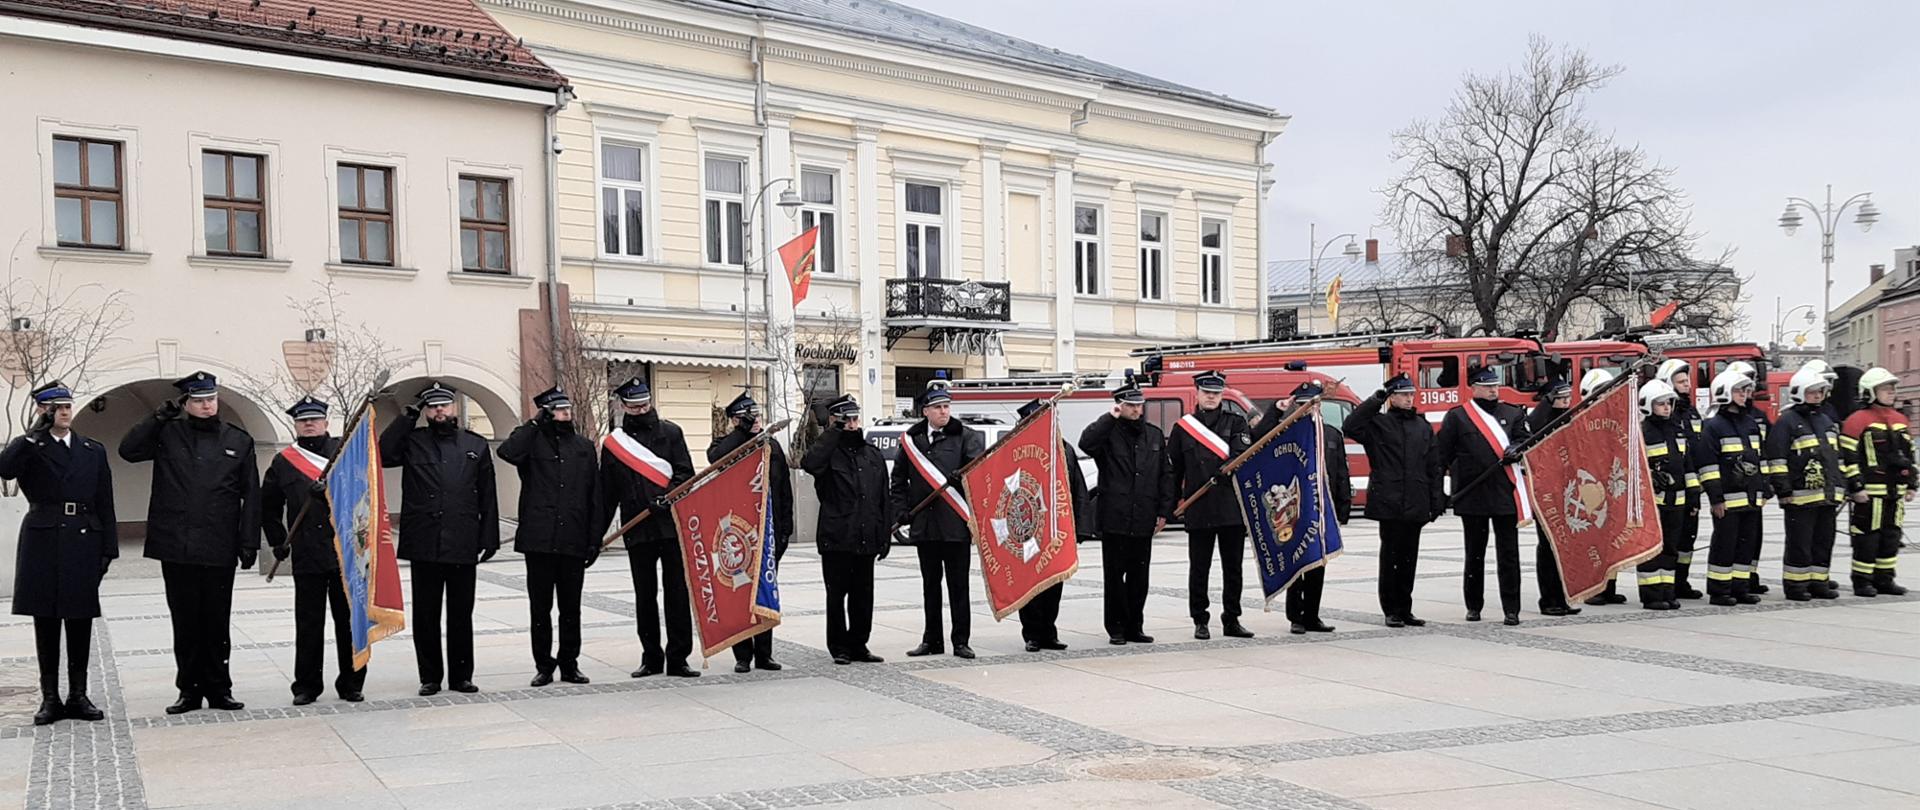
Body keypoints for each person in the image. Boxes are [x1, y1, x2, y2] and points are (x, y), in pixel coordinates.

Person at [119, 370, 258, 714]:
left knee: (216, 621)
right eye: (198, 401)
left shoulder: (238, 440)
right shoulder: (168, 433)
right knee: (185, 621)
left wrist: (249, 540)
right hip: (177, 543)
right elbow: (128, 451)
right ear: (186, 404)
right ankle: (189, 691)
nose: (207, 406)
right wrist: (157, 417)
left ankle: (219, 688)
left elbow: (250, 494)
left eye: (211, 399)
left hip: (218, 542)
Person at [1, 381, 115, 725]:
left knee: (80, 619)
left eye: (67, 406)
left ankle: (78, 694)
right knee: (46, 619)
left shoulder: (92, 449)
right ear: (42, 410)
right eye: (57, 407)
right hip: (44, 536)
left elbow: (105, 501)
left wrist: (109, 547)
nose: (65, 412)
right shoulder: (31, 447)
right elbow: (4, 469)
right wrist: (31, 435)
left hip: (83, 537)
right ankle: (50, 697)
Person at [380, 380, 499, 696]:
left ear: (454, 408)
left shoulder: (475, 444)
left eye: (443, 405)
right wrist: (408, 415)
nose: (438, 411)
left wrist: (490, 537)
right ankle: (430, 676)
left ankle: (461, 676)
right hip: (425, 541)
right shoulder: (413, 441)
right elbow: (383, 454)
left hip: (462, 540)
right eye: (432, 407)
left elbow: (488, 495)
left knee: (461, 614)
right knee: (426, 614)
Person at [261, 396, 365, 705]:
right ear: (295, 425)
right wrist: (278, 541)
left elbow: (362, 492)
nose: (309, 424)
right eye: (303, 420)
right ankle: (306, 685)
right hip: (306, 551)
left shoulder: (342, 453)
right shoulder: (283, 461)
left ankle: (351, 683)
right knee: (308, 624)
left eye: (314, 419)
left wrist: (333, 490)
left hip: (343, 551)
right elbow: (268, 505)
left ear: (325, 423)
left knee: (347, 624)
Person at [497, 386, 600, 688]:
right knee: (540, 607)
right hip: (539, 539)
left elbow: (594, 495)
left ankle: (570, 663)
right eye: (559, 409)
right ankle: (544, 665)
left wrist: (593, 539)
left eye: (568, 409)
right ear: (546, 412)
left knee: (571, 608)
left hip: (573, 537)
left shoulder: (583, 446)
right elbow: (507, 452)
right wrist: (534, 424)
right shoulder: (531, 443)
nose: (566, 413)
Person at [598, 377, 698, 678]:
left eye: (645, 404)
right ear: (623, 406)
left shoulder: (671, 433)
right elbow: (608, 493)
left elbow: (685, 474)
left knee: (677, 594)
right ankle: (651, 657)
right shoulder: (615, 445)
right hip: (636, 527)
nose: (641, 409)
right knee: (645, 596)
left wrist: (668, 498)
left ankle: (679, 657)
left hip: (670, 526)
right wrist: (597, 534)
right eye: (635, 406)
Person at [890, 381, 986, 659]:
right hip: (925, 526)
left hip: (955, 524)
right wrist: (902, 511)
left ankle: (960, 640)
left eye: (947, 406)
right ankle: (932, 640)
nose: (944, 412)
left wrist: (963, 476)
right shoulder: (912, 440)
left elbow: (978, 473)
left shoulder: (966, 436)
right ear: (926, 411)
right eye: (938, 407)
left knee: (958, 586)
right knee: (930, 586)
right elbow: (898, 481)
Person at [1431, 366, 1531, 626]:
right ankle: (1474, 605)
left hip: (1504, 493)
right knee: (1474, 553)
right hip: (1472, 493)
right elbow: (1442, 456)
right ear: (1474, 388)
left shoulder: (1512, 413)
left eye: (1495, 386)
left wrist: (1516, 448)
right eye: (1487, 387)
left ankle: (1512, 608)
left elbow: (1526, 441)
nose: (1493, 390)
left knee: (1508, 555)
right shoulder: (1459, 417)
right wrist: (1438, 491)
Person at [1079, 378, 1174, 645]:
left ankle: (1135, 626)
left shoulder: (1153, 435)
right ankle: (1116, 628)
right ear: (1120, 406)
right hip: (1115, 517)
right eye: (1130, 405)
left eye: (1138, 405)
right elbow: (1086, 443)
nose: (1135, 410)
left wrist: (1164, 511)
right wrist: (1109, 417)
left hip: (1144, 515)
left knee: (1139, 577)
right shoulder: (1108, 433)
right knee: (1114, 576)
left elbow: (1165, 474)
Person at [1254, 381, 1351, 634]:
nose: (1310, 408)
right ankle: (1296, 616)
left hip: (1322, 509)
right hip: (1295, 507)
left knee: (1318, 563)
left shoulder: (1331, 433)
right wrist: (1276, 409)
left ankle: (1313, 615)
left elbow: (1340, 471)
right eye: (1304, 403)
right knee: (1297, 562)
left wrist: (1342, 507)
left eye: (1314, 403)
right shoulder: (1285, 432)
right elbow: (1258, 438)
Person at [802, 394, 891, 665]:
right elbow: (810, 464)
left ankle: (859, 644)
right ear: (835, 421)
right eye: (846, 420)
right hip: (837, 537)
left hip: (866, 536)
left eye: (854, 419)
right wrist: (833, 432)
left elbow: (882, 498)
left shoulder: (871, 454)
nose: (852, 424)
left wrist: (884, 535)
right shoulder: (828, 453)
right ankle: (839, 646)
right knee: (837, 595)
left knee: (863, 596)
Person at [708, 392, 794, 673]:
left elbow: (783, 490)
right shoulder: (727, 445)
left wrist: (785, 528)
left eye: (757, 417)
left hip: (767, 530)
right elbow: (717, 459)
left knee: (765, 591)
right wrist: (742, 434)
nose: (756, 422)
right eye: (748, 418)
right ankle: (742, 655)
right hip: (739, 534)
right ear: (735, 420)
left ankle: (765, 653)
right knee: (740, 593)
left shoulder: (771, 446)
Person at [1167, 370, 1255, 640]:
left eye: (1216, 393)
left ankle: (1232, 618)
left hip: (1230, 507)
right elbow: (1174, 472)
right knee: (1199, 568)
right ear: (1197, 393)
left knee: (1233, 568)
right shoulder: (1183, 428)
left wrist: (1228, 468)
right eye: (1207, 393)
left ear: (1222, 394)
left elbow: (1244, 456)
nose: (1211, 397)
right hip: (1199, 506)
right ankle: (1200, 619)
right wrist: (1169, 507)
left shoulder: (1236, 422)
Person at [1346, 373, 1435, 628]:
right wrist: (1376, 399)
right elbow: (1351, 426)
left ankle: (1405, 608)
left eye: (1411, 394)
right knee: (1391, 557)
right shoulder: (1378, 424)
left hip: (1416, 499)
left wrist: (1435, 500)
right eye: (1403, 394)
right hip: (1389, 500)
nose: (1409, 399)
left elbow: (1433, 464)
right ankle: (1391, 609)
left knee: (1409, 558)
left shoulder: (1422, 426)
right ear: (1392, 397)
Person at [1766, 367, 1854, 600]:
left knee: (1823, 542)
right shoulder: (1787, 422)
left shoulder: (1826, 421)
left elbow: (1837, 458)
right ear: (1799, 392)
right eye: (1812, 392)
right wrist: (1783, 490)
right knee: (1800, 544)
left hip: (1826, 496)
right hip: (1799, 497)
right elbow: (1777, 459)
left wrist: (1842, 485)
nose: (1817, 396)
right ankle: (1796, 586)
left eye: (1821, 392)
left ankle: (1819, 583)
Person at [1014, 398, 1092, 652]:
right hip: (1027, 530)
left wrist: (1079, 528)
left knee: (1053, 584)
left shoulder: (1064, 449)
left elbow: (1078, 489)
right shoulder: (1016, 449)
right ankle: (1032, 634)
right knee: (1030, 584)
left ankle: (1049, 631)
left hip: (1057, 530)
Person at [1696, 370, 1769, 605]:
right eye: (1739, 391)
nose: (1744, 395)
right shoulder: (1713, 426)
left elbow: (1761, 459)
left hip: (1750, 498)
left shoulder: (1750, 424)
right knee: (1724, 545)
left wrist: (1765, 490)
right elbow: (1707, 465)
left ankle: (1740, 587)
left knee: (1746, 545)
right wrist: (1716, 499)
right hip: (1727, 500)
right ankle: (1719, 590)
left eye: (1746, 391)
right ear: (1724, 392)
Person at [1840, 367, 1911, 596]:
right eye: (1885, 389)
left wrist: (1912, 484)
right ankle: (1862, 581)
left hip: (1895, 491)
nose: (1891, 393)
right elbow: (1848, 457)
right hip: (1869, 492)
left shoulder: (1900, 420)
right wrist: (1856, 486)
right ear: (1870, 392)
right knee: (1867, 537)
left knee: (1892, 536)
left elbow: (1909, 455)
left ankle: (1885, 579)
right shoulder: (1856, 421)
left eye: (1892, 388)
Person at [1639, 380, 1697, 611]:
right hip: (1654, 502)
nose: (1666, 408)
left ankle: (1667, 591)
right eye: (1661, 403)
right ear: (1648, 405)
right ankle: (1652, 595)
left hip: (1678, 502)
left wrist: (1693, 496)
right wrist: (1652, 476)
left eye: (1669, 403)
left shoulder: (1677, 430)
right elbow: (1634, 467)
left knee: (1671, 549)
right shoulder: (1643, 432)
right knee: (1653, 549)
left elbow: (1687, 465)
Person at [1527, 377, 1582, 616]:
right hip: (1547, 492)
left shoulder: (1569, 419)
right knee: (1549, 546)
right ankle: (1548, 599)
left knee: (1566, 547)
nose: (1565, 403)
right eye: (1560, 399)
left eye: (1568, 398)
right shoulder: (1538, 422)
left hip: (1568, 490)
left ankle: (1562, 597)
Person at [1659, 359, 1708, 600]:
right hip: (1673, 485)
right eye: (1680, 381)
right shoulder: (1668, 414)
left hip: (1692, 482)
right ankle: (1668, 584)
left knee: (1689, 537)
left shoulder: (1691, 411)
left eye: (1687, 380)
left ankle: (1681, 581)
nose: (1686, 385)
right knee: (1672, 539)